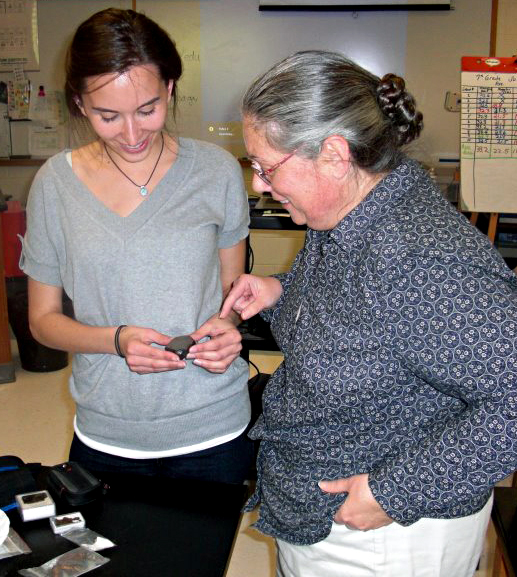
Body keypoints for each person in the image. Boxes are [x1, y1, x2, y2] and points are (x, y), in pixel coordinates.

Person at [220, 49, 517, 576]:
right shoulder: (349, 215)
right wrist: (279, 291)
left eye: (267, 167)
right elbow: (367, 318)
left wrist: (394, 490)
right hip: (330, 515)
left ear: (334, 154)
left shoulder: (419, 258)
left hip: (384, 538)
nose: (259, 184)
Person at [20, 8, 253, 484]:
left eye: (148, 109)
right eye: (108, 116)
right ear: (80, 104)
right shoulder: (54, 185)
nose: (131, 135)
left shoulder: (216, 171)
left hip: (213, 427)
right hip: (107, 433)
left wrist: (230, 327)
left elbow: (235, 296)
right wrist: (116, 340)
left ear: (169, 87)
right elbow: (43, 322)